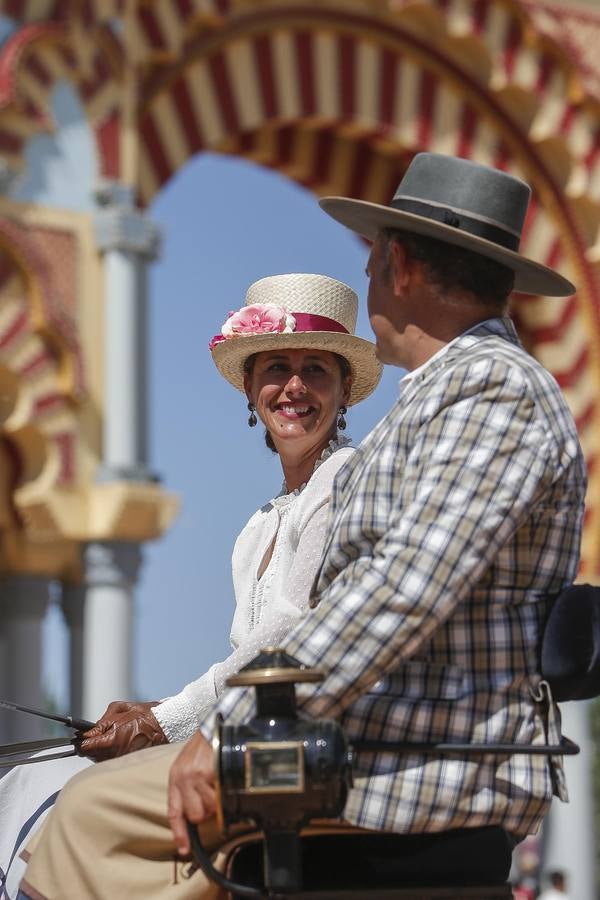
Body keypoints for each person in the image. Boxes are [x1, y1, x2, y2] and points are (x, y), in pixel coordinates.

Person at [19, 153, 586, 900]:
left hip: (410, 767)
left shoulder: (492, 390)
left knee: (85, 814)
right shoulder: (441, 397)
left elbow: (399, 592)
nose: (371, 277)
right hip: (371, 747)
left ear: (402, 263)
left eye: (374, 260)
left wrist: (222, 728)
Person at [1, 272, 380, 899]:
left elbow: (285, 641)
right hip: (257, 735)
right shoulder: (260, 525)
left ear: (344, 393)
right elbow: (244, 658)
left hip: (300, 750)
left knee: (79, 802)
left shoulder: (345, 480)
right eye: (276, 367)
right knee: (30, 779)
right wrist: (154, 714)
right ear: (251, 388)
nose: (293, 387)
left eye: (316, 368)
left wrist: (165, 721)